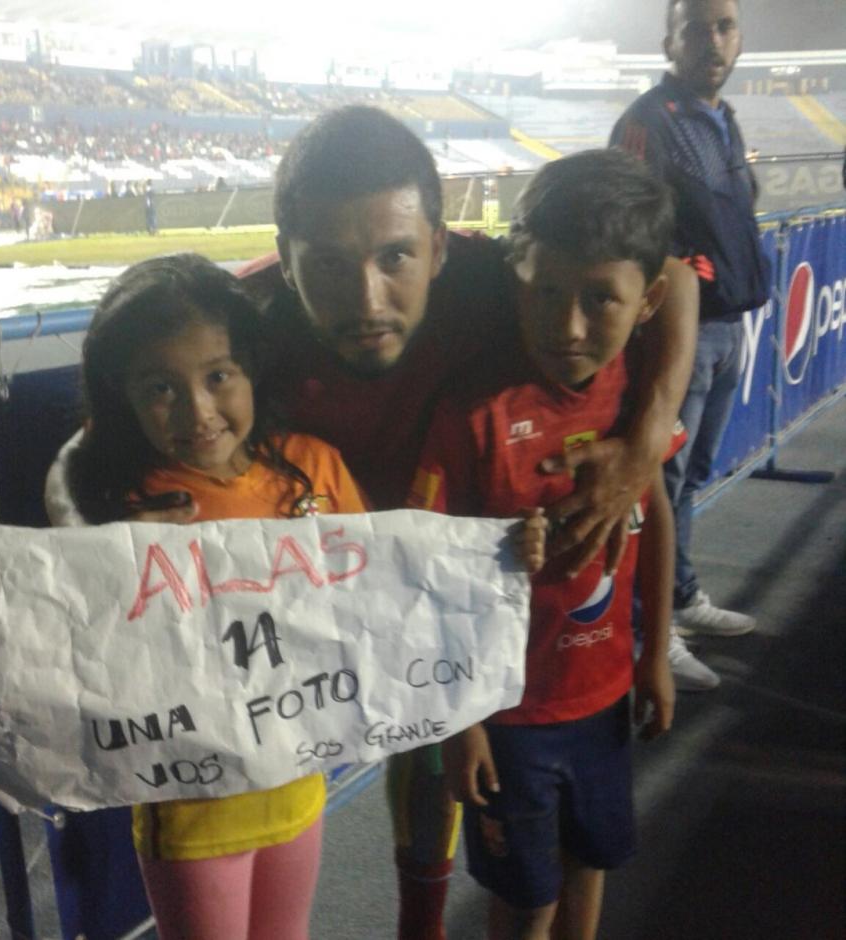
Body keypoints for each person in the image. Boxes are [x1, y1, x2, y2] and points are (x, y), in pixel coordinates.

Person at [47, 107, 699, 939]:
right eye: (326, 264)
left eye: (395, 257)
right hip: (339, 575)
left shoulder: (488, 275)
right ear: (282, 261)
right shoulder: (246, 317)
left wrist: (647, 440)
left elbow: (670, 276)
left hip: (440, 554)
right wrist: (89, 529)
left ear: (439, 242)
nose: (367, 299)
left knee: (437, 755)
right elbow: (82, 452)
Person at [0, 253, 368, 940]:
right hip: (189, 808)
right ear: (121, 395)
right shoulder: (121, 505)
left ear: (252, 368)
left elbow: (372, 590)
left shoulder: (313, 470)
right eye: (161, 388)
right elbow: (52, 614)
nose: (198, 411)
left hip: (299, 785)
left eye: (218, 376)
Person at [417, 149, 677, 940]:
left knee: (589, 861)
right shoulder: (473, 416)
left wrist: (655, 652)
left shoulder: (634, 395)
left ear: (648, 301)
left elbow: (655, 514)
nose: (568, 327)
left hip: (601, 702)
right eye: (546, 292)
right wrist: (462, 722)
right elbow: (428, 576)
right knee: (526, 896)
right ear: (514, 276)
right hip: (510, 717)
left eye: (601, 299)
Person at [610, 0, 768, 691]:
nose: (714, 40)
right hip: (684, 332)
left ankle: (680, 597)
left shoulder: (722, 119)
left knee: (691, 476)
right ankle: (649, 632)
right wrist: (679, 275)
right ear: (669, 40)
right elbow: (624, 224)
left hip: (729, 327)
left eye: (725, 27)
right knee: (662, 487)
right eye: (698, 27)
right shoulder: (649, 123)